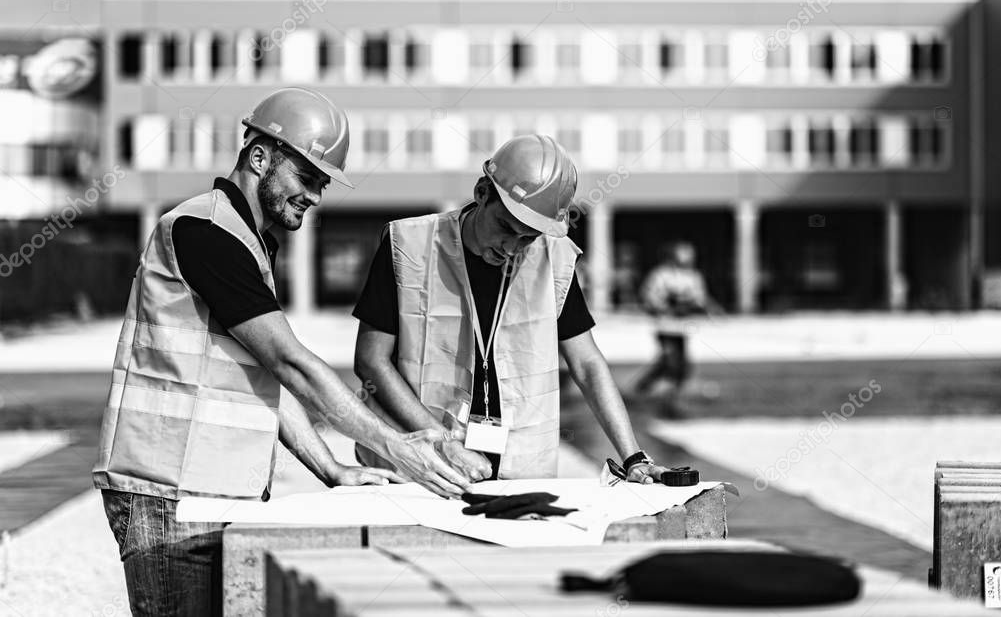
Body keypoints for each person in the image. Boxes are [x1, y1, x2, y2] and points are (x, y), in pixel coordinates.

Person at [91, 87, 469, 616]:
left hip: (211, 492)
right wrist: (395, 443)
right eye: (307, 178)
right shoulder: (204, 231)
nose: (315, 196)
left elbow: (266, 380)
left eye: (322, 184)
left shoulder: (248, 241)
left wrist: (332, 469)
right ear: (260, 156)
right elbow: (293, 362)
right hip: (166, 493)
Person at [350, 134, 668, 484]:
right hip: (418, 467)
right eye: (505, 227)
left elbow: (587, 363)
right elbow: (371, 360)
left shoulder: (554, 258)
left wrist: (634, 457)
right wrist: (443, 442)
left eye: (527, 237)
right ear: (482, 193)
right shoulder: (407, 245)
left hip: (518, 473)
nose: (511, 248)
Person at [634, 241, 715, 397]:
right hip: (665, 326)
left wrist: (691, 306)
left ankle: (672, 396)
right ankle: (643, 389)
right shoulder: (660, 275)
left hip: (682, 327)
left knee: (682, 367)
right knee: (670, 362)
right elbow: (649, 298)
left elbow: (700, 300)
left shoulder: (693, 276)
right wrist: (665, 307)